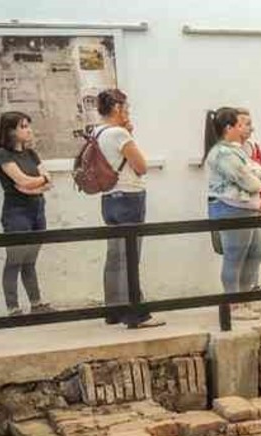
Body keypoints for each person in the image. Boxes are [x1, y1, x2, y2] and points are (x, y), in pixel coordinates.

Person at [94, 89, 163, 328]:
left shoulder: (98, 131)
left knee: (114, 256)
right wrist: (129, 136)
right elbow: (141, 166)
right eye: (126, 107)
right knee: (130, 257)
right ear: (116, 107)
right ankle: (135, 314)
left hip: (109, 198)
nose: (128, 111)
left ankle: (113, 310)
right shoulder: (118, 134)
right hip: (129, 197)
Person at [204, 106, 261, 320]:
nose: (244, 128)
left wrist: (256, 178)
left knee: (255, 252)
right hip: (230, 209)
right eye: (240, 125)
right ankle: (234, 304)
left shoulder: (236, 150)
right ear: (229, 127)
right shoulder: (222, 153)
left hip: (245, 208)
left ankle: (245, 298)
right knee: (235, 256)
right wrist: (257, 182)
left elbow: (259, 171)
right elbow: (248, 179)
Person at [0, 111, 52, 316]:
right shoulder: (3, 154)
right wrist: (37, 182)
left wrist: (36, 184)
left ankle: (36, 303)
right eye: (23, 126)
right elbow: (22, 181)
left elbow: (47, 181)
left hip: (37, 209)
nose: (28, 130)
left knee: (30, 260)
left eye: (28, 125)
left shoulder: (31, 154)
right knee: (15, 259)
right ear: (10, 131)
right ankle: (13, 307)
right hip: (16, 212)